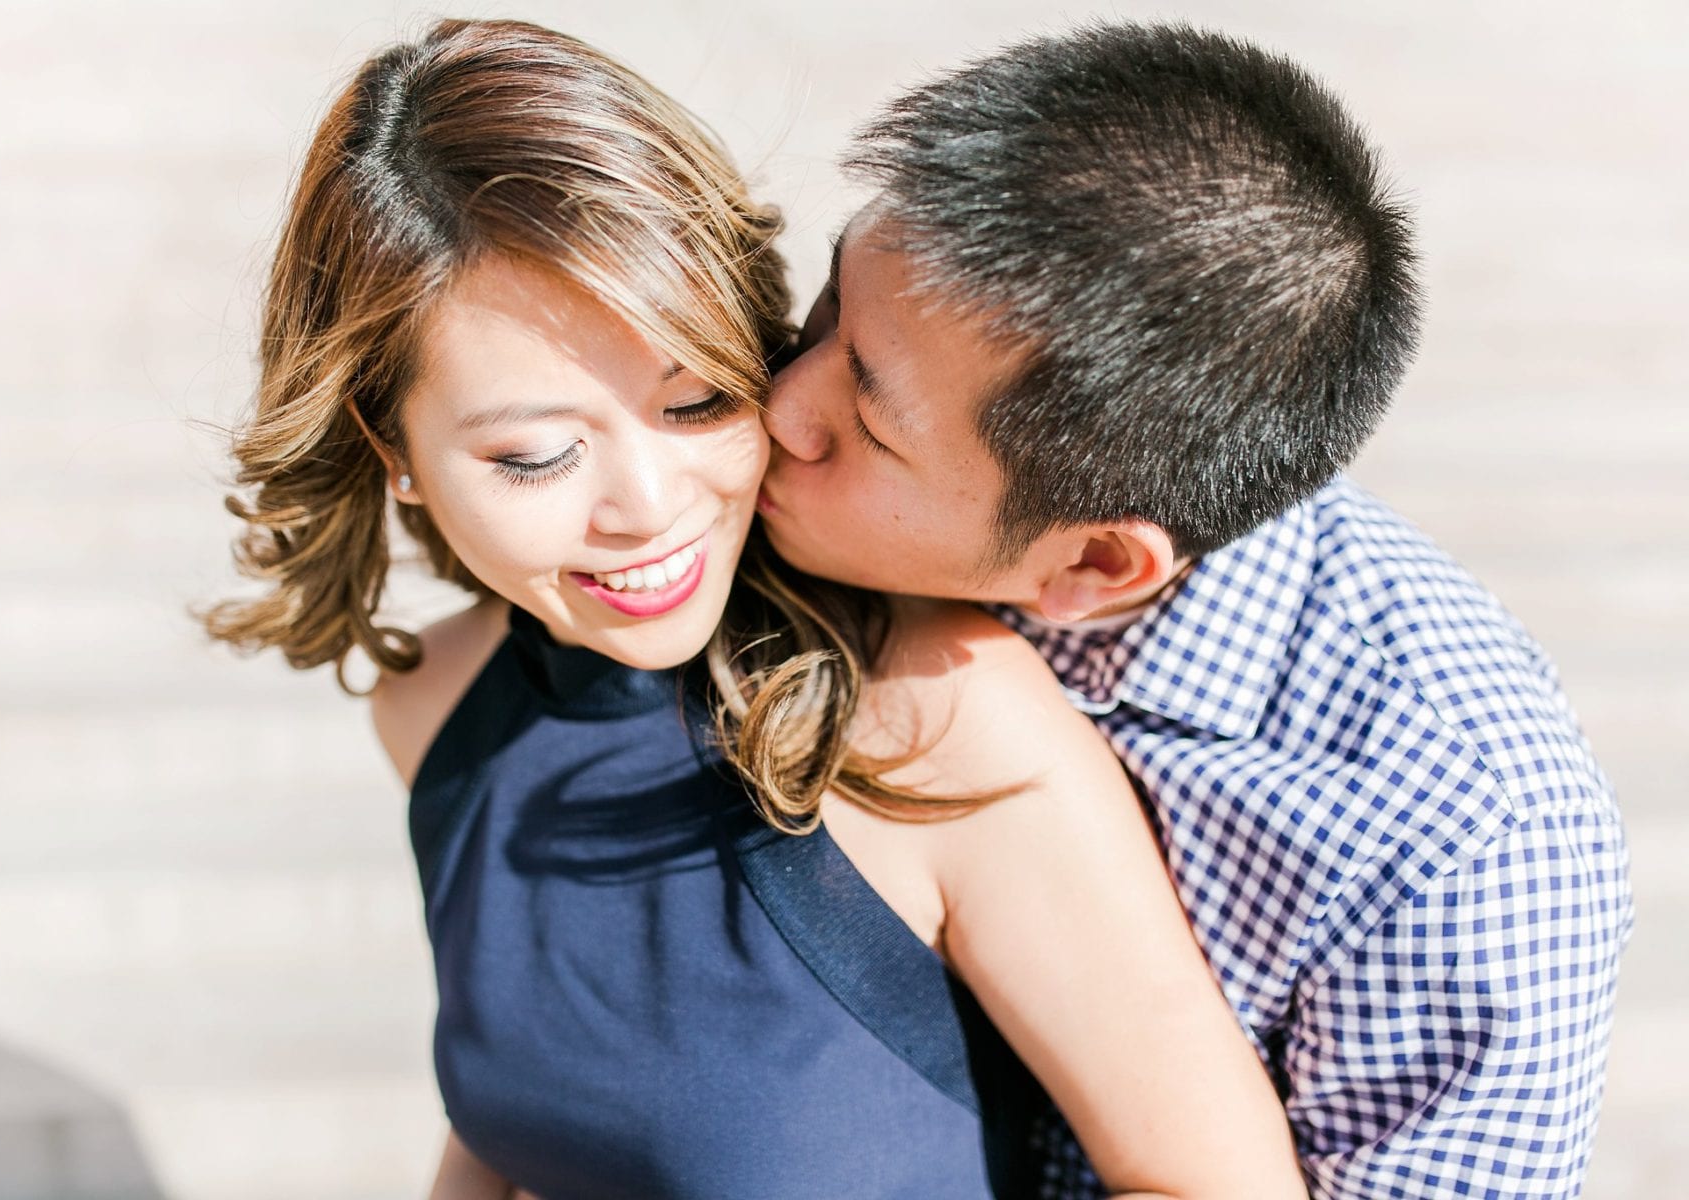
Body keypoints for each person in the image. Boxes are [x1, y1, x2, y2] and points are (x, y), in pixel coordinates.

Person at [200, 18, 1310, 1200]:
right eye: (534, 455)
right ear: (394, 450)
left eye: (697, 404)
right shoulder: (432, 707)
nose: (648, 506)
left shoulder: (939, 718)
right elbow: (525, 1127)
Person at [760, 20, 1635, 1200]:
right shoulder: (814, 499)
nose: (777, 407)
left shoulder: (1453, 843)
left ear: (1095, 570)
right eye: (829, 307)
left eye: (866, 424)